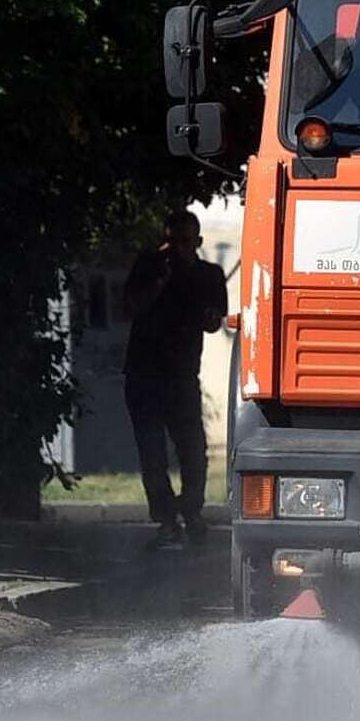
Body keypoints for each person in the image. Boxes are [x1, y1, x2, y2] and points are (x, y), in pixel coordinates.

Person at [122, 210, 228, 550]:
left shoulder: (209, 275)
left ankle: (191, 512)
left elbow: (213, 322)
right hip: (143, 374)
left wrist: (209, 315)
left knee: (193, 450)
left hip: (181, 375)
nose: (176, 248)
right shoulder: (149, 266)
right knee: (152, 453)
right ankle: (167, 520)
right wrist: (160, 280)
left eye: (184, 241)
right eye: (170, 240)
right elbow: (133, 305)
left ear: (196, 242)